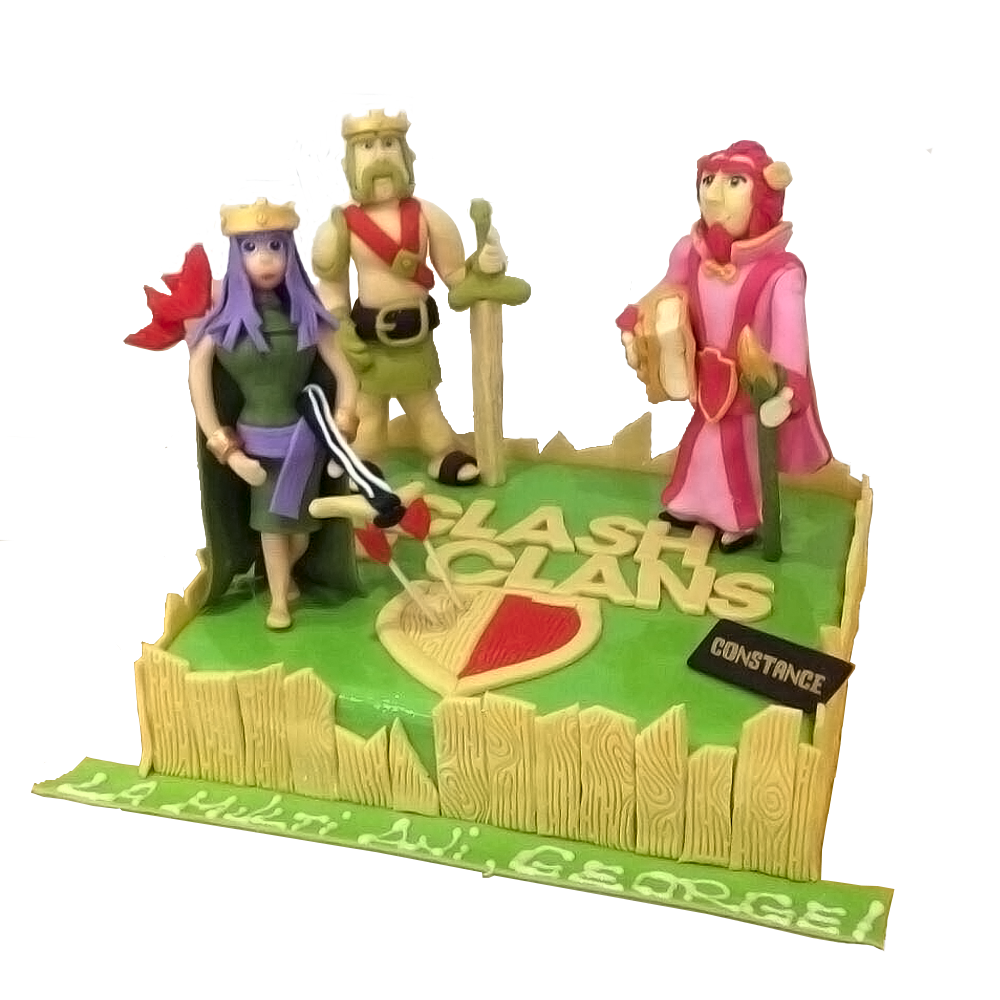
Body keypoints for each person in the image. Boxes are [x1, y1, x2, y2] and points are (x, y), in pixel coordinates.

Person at [616, 140, 831, 553]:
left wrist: (786, 389)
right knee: (702, 440)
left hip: (749, 385)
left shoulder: (782, 273)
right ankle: (691, 503)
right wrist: (637, 319)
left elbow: (790, 340)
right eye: (709, 180)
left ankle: (741, 519)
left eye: (734, 182)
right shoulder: (690, 254)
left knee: (738, 447)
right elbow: (665, 292)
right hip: (703, 374)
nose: (713, 195)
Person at [187, 197, 362, 629]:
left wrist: (343, 418)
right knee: (270, 526)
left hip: (304, 443)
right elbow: (199, 384)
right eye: (251, 247)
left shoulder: (307, 319)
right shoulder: (221, 328)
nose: (265, 258)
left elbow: (345, 374)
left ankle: (282, 574)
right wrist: (229, 452)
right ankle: (280, 601)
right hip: (256, 446)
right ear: (236, 256)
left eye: (275, 246)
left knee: (299, 532)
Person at [311, 107, 507, 486]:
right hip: (368, 341)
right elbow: (332, 286)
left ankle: (443, 453)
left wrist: (484, 263)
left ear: (405, 154)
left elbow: (455, 275)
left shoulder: (428, 215)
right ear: (350, 160)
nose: (380, 156)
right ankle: (367, 462)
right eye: (367, 146)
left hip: (416, 336)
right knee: (369, 411)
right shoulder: (340, 224)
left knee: (425, 404)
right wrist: (340, 328)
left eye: (389, 144)